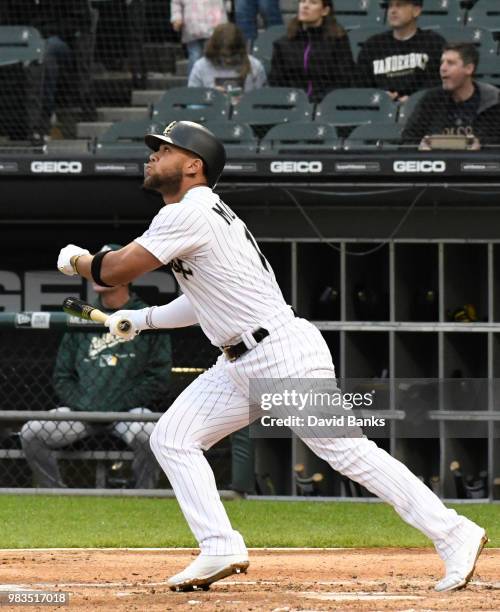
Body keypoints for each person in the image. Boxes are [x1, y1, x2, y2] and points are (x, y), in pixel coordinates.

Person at [57, 120, 487, 593]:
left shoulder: (189, 211)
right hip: (240, 361)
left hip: (280, 354)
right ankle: (220, 545)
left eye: (165, 149)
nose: (153, 155)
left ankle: (453, 531)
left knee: (346, 450)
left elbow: (115, 268)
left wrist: (77, 260)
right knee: (174, 437)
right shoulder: (196, 214)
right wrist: (141, 320)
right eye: (155, 149)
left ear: (193, 166)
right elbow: (201, 300)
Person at [21, 244, 172, 489]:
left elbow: (158, 376)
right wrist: (86, 405)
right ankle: (57, 496)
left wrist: (114, 404)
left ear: (124, 276)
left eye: (104, 268)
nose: (96, 273)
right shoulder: (83, 315)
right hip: (82, 413)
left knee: (151, 437)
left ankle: (143, 497)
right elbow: (62, 375)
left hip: (127, 412)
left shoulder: (145, 315)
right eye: (95, 268)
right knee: (32, 433)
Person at [0, 0, 97, 139]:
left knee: (46, 50)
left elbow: (76, 24)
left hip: (64, 44)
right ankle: (36, 124)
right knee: (44, 62)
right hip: (32, 43)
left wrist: (43, 35)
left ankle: (40, 122)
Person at [402, 42, 500, 145]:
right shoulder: (431, 100)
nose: (443, 68)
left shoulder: (493, 101)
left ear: (469, 69)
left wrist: (481, 151)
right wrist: (421, 149)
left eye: (450, 63)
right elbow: (407, 140)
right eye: (442, 63)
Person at [356, 0, 445, 102]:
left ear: (416, 11)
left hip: (421, 110)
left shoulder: (433, 42)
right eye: (390, 6)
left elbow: (438, 82)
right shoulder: (373, 45)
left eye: (399, 5)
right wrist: (381, 96)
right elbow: (361, 86)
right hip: (379, 110)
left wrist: (414, 99)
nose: (393, 10)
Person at [268, 0, 354, 104]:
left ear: (325, 11)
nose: (305, 6)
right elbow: (276, 83)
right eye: (303, 1)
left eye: (313, 2)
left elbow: (344, 81)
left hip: (327, 106)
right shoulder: (282, 44)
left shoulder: (338, 41)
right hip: (291, 105)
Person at [188, 23, 266, 103]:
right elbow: (191, 99)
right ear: (214, 49)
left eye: (232, 55)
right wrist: (210, 95)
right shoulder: (200, 66)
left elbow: (262, 100)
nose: (228, 60)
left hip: (245, 113)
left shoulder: (255, 65)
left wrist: (244, 101)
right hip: (210, 113)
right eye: (224, 56)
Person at [170, 0, 227, 75]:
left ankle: (213, 83)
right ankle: (194, 84)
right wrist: (177, 18)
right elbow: (176, 3)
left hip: (213, 27)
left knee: (213, 57)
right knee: (195, 56)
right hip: (193, 27)